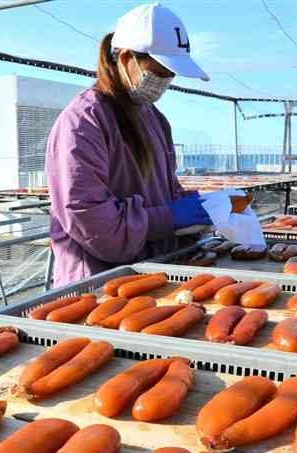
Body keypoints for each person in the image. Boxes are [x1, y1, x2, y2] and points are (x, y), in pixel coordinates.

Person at [45, 3, 211, 287]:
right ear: (125, 58)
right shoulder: (84, 121)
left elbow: (162, 189)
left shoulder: (154, 118)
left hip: (150, 274)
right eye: (158, 72)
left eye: (169, 75)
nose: (164, 82)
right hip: (100, 286)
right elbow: (93, 222)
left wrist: (194, 207)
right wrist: (169, 218)